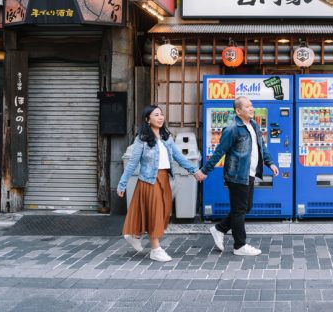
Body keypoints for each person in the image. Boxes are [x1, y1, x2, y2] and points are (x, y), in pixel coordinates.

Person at [117, 105, 206, 262]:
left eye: (161, 114)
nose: (160, 117)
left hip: (164, 179)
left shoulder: (167, 138)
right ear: (147, 119)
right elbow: (131, 164)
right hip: (149, 180)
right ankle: (155, 249)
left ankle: (135, 234)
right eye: (156, 115)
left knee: (163, 213)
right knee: (155, 214)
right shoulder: (142, 140)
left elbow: (179, 157)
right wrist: (122, 184)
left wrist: (194, 171)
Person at [201, 96, 279, 256]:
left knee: (245, 207)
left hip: (249, 173)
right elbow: (219, 152)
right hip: (236, 174)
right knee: (239, 210)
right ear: (238, 111)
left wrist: (270, 163)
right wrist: (204, 170)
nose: (252, 108)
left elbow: (262, 147)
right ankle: (239, 245)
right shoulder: (232, 129)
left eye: (252, 106)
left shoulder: (254, 125)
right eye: (248, 106)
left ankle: (219, 229)